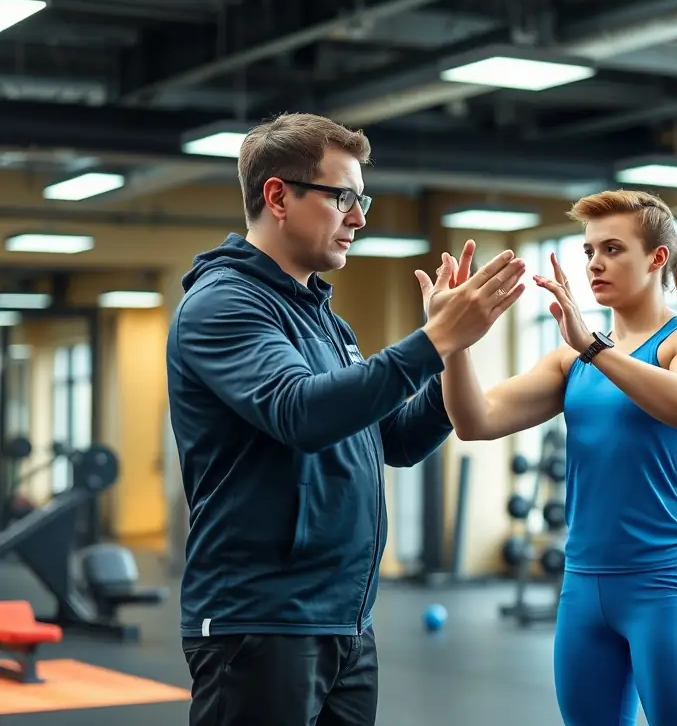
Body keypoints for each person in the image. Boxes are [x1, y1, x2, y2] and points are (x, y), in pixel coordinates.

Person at [165, 112, 526, 726]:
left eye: (363, 199)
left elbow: (398, 439)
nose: (359, 218)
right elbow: (299, 411)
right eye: (344, 198)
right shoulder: (223, 303)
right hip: (261, 621)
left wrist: (454, 349)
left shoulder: (327, 323)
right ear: (278, 196)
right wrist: (432, 340)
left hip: (345, 623)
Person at [440, 189, 677, 726]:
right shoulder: (572, 360)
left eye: (613, 249)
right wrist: (452, 342)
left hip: (663, 586)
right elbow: (474, 420)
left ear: (657, 258)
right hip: (582, 588)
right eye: (589, 250)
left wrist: (595, 346)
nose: (595, 262)